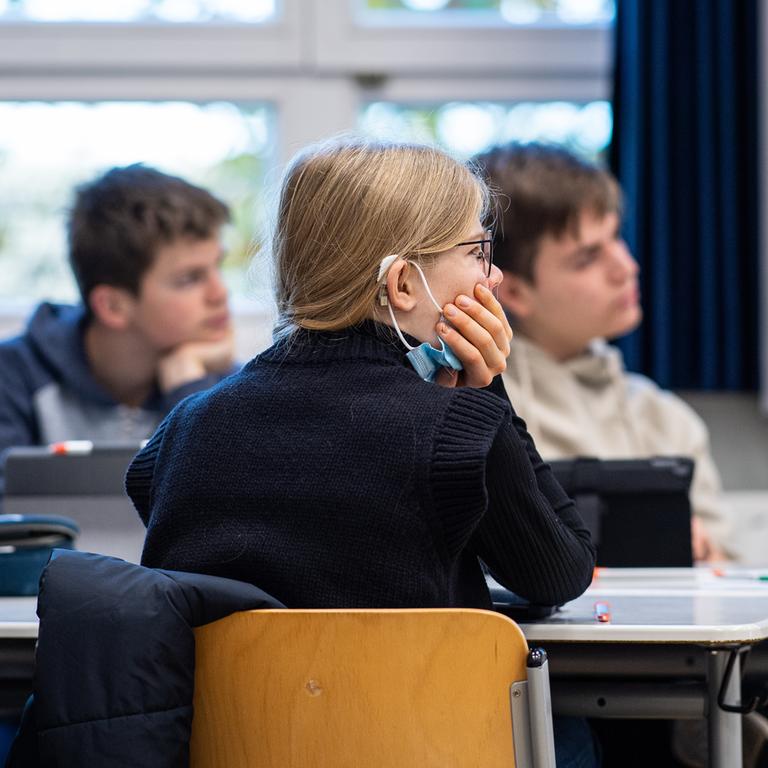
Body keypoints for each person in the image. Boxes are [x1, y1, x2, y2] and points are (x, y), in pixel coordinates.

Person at [126, 137, 598, 766]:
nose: (496, 276)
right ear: (404, 283)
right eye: (478, 252)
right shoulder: (457, 428)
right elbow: (561, 571)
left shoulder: (183, 428)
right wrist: (493, 395)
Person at [474, 142, 730, 561]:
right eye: (588, 257)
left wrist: (703, 551)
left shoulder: (666, 419)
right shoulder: (472, 417)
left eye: (616, 239)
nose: (626, 267)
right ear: (513, 290)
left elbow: (731, 585)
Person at [0, 164, 236, 499]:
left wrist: (187, 387)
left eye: (218, 267)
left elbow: (223, 516)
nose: (220, 293)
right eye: (190, 279)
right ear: (112, 306)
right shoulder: (12, 378)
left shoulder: (225, 384)